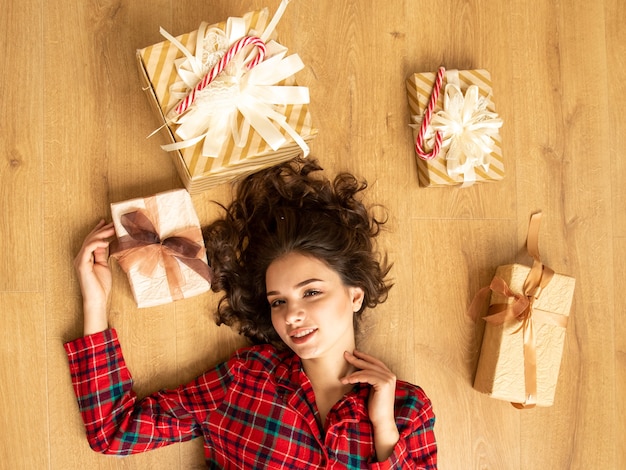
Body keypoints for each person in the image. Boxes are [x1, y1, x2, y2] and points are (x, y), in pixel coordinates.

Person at [66, 158, 437, 469]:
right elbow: (114, 431)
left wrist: (384, 428)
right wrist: (95, 303)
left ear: (354, 296)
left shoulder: (406, 409)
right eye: (279, 301)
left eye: (311, 292)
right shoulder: (246, 380)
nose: (293, 314)